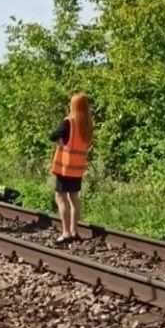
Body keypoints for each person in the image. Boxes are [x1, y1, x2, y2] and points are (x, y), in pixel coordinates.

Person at [50, 93, 93, 244]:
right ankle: (75, 231)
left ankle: (66, 232)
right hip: (78, 168)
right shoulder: (87, 125)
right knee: (74, 198)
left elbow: (53, 135)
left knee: (60, 198)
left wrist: (60, 141)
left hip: (65, 168)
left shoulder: (69, 122)